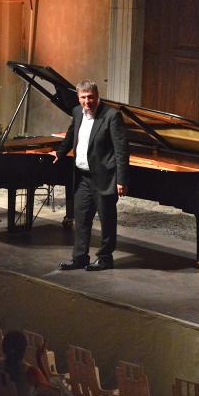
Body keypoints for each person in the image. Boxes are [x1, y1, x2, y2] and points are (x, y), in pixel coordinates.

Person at [50, 80, 129, 271]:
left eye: (90, 97)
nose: (87, 101)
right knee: (82, 218)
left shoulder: (112, 115)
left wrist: (121, 180)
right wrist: (60, 153)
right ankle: (79, 258)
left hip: (104, 177)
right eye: (83, 97)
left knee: (106, 220)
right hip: (82, 177)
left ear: (97, 95)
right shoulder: (77, 112)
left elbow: (121, 150)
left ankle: (105, 258)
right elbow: (71, 136)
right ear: (78, 98)